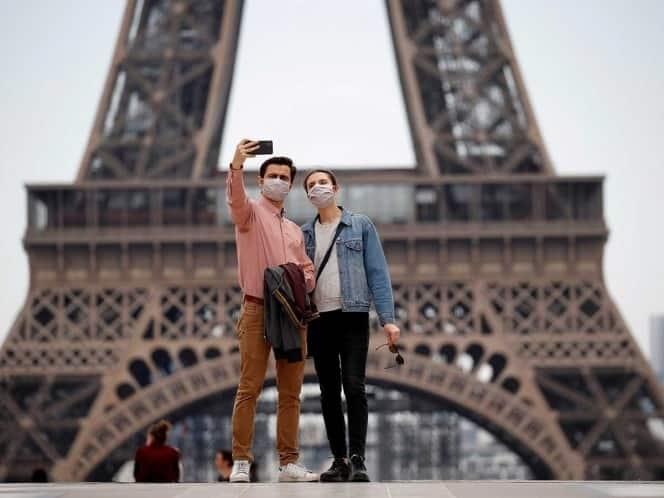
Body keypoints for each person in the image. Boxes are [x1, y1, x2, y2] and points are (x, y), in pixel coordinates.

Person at [225, 139, 318, 483]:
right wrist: (237, 163)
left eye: (284, 176)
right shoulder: (248, 214)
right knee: (248, 386)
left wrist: (300, 278)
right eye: (272, 175)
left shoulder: (294, 230)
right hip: (256, 307)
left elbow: (308, 269)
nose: (279, 180)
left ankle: (288, 462)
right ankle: (241, 460)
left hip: (290, 313)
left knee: (291, 391)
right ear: (261, 181)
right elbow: (234, 199)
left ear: (290, 184)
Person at [301, 169, 401, 482]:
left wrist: (388, 320)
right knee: (328, 392)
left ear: (336, 188)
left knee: (354, 387)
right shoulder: (304, 234)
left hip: (353, 315)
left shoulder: (360, 225)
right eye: (311, 184)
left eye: (323, 182)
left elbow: (378, 273)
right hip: (320, 319)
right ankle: (340, 459)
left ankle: (358, 457)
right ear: (307, 194)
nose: (318, 187)